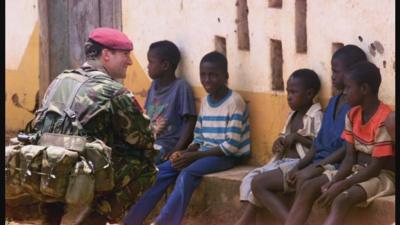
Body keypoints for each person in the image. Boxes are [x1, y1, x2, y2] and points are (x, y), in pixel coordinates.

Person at [28, 27, 157, 225]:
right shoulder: (114, 91)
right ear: (106, 54)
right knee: (146, 164)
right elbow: (144, 139)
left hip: (47, 167)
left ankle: (50, 219)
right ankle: (96, 217)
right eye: (125, 54)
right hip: (81, 172)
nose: (130, 62)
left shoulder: (60, 80)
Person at [124, 51, 251, 225]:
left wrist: (194, 156)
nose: (207, 80)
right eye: (203, 75)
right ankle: (131, 221)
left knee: (187, 173)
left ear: (225, 76)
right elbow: (198, 136)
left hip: (225, 157)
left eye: (213, 75)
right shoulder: (206, 101)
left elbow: (231, 146)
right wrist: (186, 152)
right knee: (161, 172)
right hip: (204, 153)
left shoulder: (234, 102)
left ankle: (165, 222)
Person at [286, 61, 395, 225]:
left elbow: (375, 167)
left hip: (380, 176)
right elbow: (349, 158)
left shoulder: (383, 118)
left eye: (349, 88)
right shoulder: (352, 115)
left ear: (364, 89)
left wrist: (342, 185)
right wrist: (335, 180)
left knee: (341, 199)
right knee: (309, 187)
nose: (345, 93)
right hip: (355, 170)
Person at [235, 69, 323, 225]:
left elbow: (321, 146)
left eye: (294, 92)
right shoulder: (292, 115)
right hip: (282, 163)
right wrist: (279, 143)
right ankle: (248, 218)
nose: (289, 96)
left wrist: (298, 138)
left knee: (259, 183)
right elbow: (284, 139)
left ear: (309, 94)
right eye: (288, 91)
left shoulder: (316, 115)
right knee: (250, 179)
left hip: (300, 164)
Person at [285, 45, 367, 194]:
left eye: (336, 71)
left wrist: (319, 165)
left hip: (336, 165)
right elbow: (317, 143)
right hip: (318, 161)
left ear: (352, 72)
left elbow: (346, 149)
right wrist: (299, 165)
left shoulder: (356, 108)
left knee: (303, 181)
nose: (332, 76)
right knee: (261, 181)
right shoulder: (333, 102)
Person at [145, 40, 197, 164]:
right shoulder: (153, 86)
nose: (147, 66)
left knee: (145, 161)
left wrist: (176, 149)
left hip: (167, 145)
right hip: (150, 142)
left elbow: (190, 121)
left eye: (151, 62)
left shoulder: (181, 87)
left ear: (165, 65)